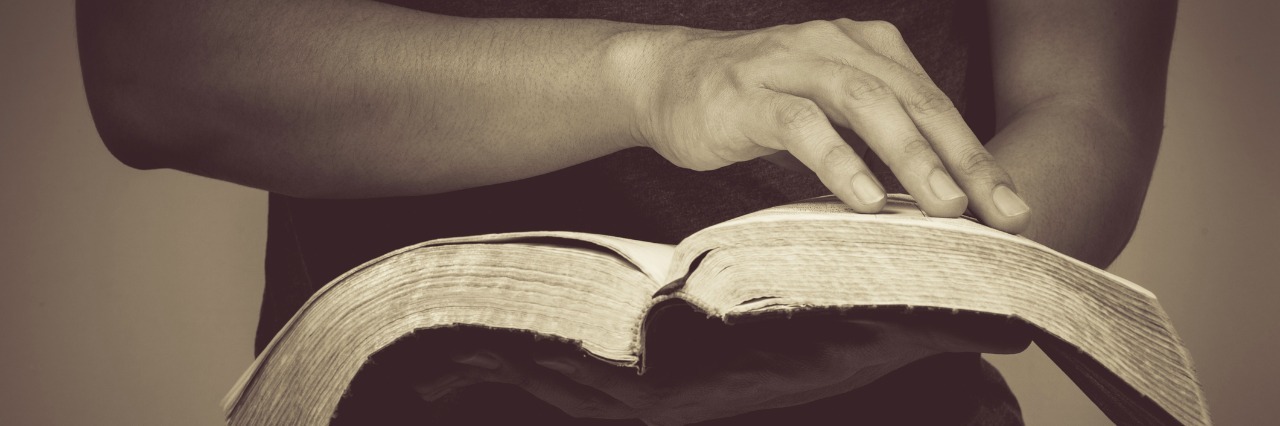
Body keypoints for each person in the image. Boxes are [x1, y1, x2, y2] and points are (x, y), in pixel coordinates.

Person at [76, 0, 1176, 424]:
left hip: (894, 406)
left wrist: (910, 278)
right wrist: (646, 82)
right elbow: (154, 65)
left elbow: (1086, 112)